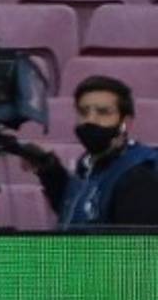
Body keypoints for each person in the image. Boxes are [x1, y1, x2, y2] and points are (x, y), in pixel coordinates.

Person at [24, 75, 158, 227]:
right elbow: (75, 214)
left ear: (125, 122)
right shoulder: (89, 164)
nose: (90, 120)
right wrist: (49, 170)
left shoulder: (138, 176)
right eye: (83, 112)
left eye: (103, 112)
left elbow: (135, 248)